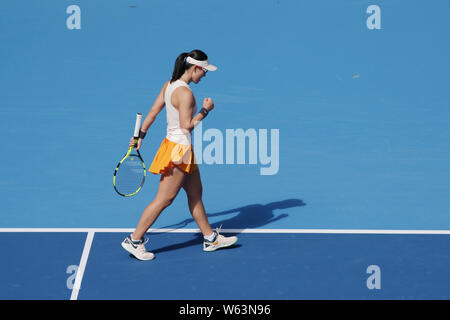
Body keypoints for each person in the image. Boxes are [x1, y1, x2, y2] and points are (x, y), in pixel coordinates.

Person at [121, 49, 238, 260]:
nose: (204, 75)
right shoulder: (186, 94)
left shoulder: (169, 85)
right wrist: (205, 111)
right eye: (204, 71)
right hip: (178, 151)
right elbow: (186, 127)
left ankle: (210, 239)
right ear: (195, 68)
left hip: (178, 148)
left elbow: (153, 112)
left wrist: (140, 136)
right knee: (164, 199)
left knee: (195, 193)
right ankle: (134, 239)